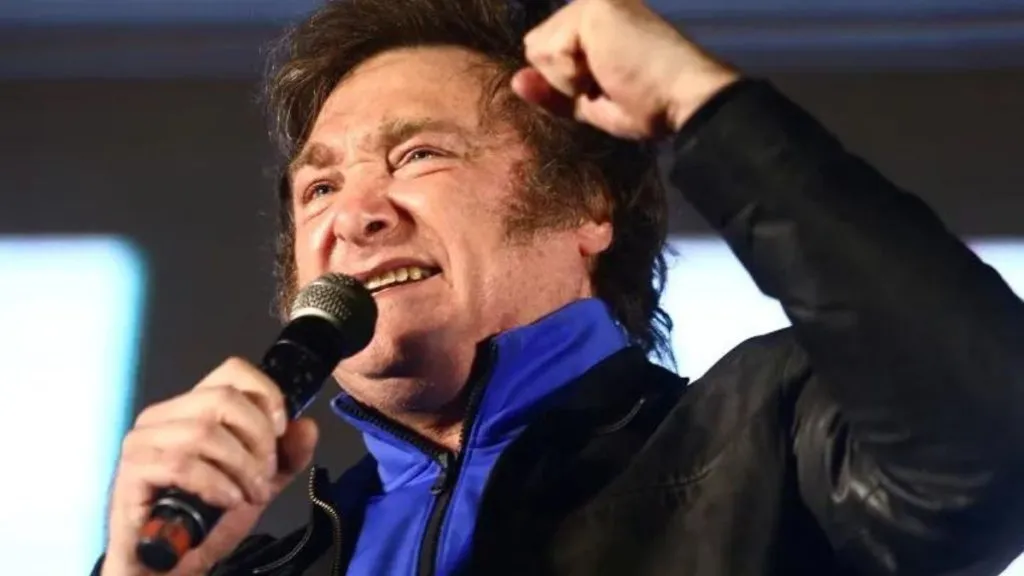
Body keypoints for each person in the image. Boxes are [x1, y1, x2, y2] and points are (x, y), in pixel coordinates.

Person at [93, 0, 1024, 574]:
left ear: (586, 205)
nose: (355, 215)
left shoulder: (771, 444)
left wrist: (703, 107)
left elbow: (994, 441)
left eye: (418, 156)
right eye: (320, 188)